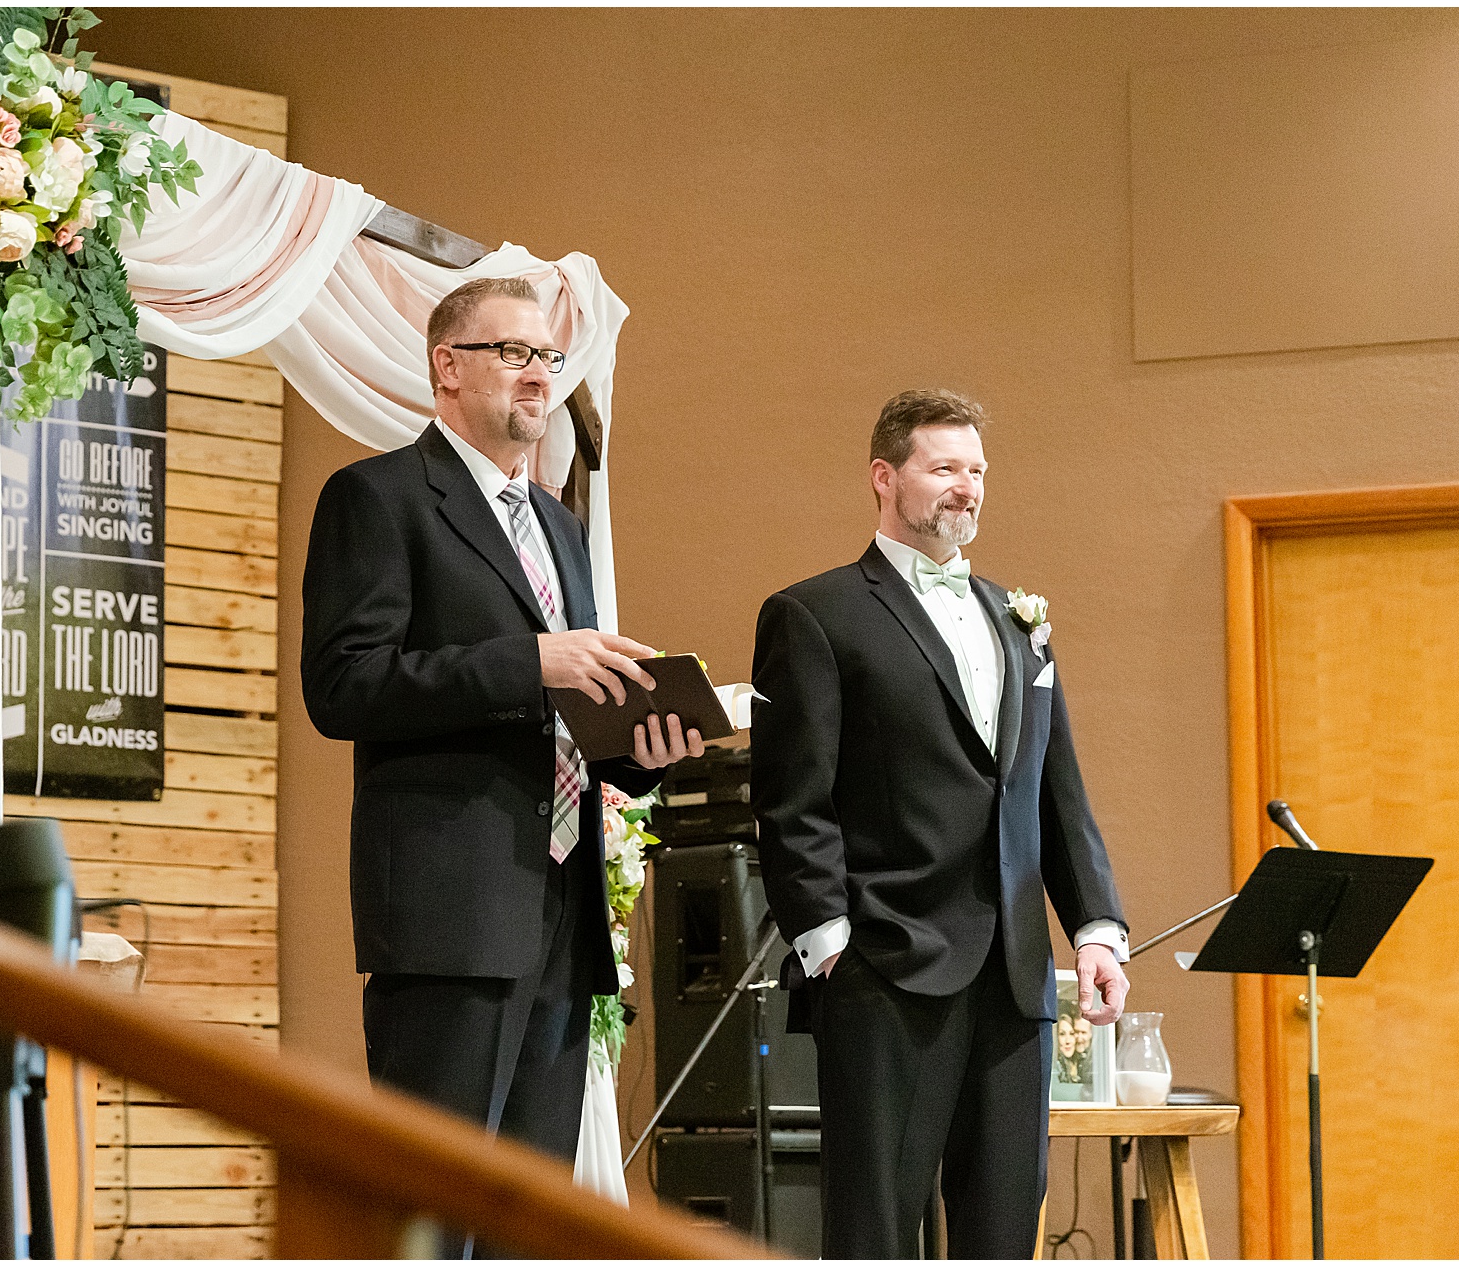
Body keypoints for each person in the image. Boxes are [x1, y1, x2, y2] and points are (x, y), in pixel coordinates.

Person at [301, 277, 703, 1209]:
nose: (537, 377)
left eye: (550, 359)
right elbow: (344, 684)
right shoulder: (380, 496)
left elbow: (577, 707)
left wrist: (641, 753)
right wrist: (526, 661)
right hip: (450, 913)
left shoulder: (560, 528)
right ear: (448, 366)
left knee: (530, 1216)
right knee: (433, 1207)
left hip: (560, 914)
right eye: (513, 353)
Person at [752, 387, 1130, 1259]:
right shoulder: (816, 612)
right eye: (945, 467)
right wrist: (826, 938)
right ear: (885, 477)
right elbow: (791, 795)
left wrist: (1096, 928)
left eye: (978, 471)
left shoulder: (1018, 618)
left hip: (1013, 975)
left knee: (1005, 1216)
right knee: (875, 1222)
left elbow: (1054, 787)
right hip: (884, 964)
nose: (968, 487)